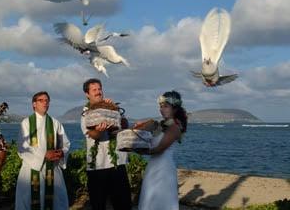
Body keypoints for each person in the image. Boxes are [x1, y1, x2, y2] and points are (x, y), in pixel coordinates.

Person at [81, 78, 132, 210]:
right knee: (99, 205)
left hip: (118, 164)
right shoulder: (86, 113)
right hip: (97, 166)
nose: (98, 92)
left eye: (99, 89)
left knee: (123, 204)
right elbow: (91, 134)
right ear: (87, 94)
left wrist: (114, 108)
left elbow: (123, 128)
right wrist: (99, 131)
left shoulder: (112, 107)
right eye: (94, 90)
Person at [15, 91, 70, 210]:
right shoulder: (26, 123)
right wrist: (44, 155)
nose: (45, 103)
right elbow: (22, 146)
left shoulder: (55, 123)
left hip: (53, 169)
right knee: (29, 201)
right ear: (34, 104)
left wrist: (61, 153)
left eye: (47, 100)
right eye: (41, 100)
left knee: (56, 202)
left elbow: (65, 143)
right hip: (31, 169)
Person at [138, 91, 187, 210]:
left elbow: (159, 149)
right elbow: (139, 134)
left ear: (174, 109)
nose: (161, 109)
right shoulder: (159, 125)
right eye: (160, 106)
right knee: (149, 201)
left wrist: (140, 151)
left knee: (160, 203)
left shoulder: (174, 127)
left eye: (165, 106)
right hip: (153, 167)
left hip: (164, 170)